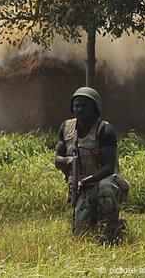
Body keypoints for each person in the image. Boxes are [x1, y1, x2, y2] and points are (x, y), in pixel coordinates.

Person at [54, 87, 130, 244]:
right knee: (81, 234)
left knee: (104, 187)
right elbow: (57, 160)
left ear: (95, 108)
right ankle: (109, 222)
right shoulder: (66, 128)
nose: (79, 109)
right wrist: (68, 161)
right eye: (76, 106)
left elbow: (109, 168)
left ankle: (112, 234)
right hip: (81, 187)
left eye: (84, 106)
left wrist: (85, 181)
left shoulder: (105, 130)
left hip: (106, 181)